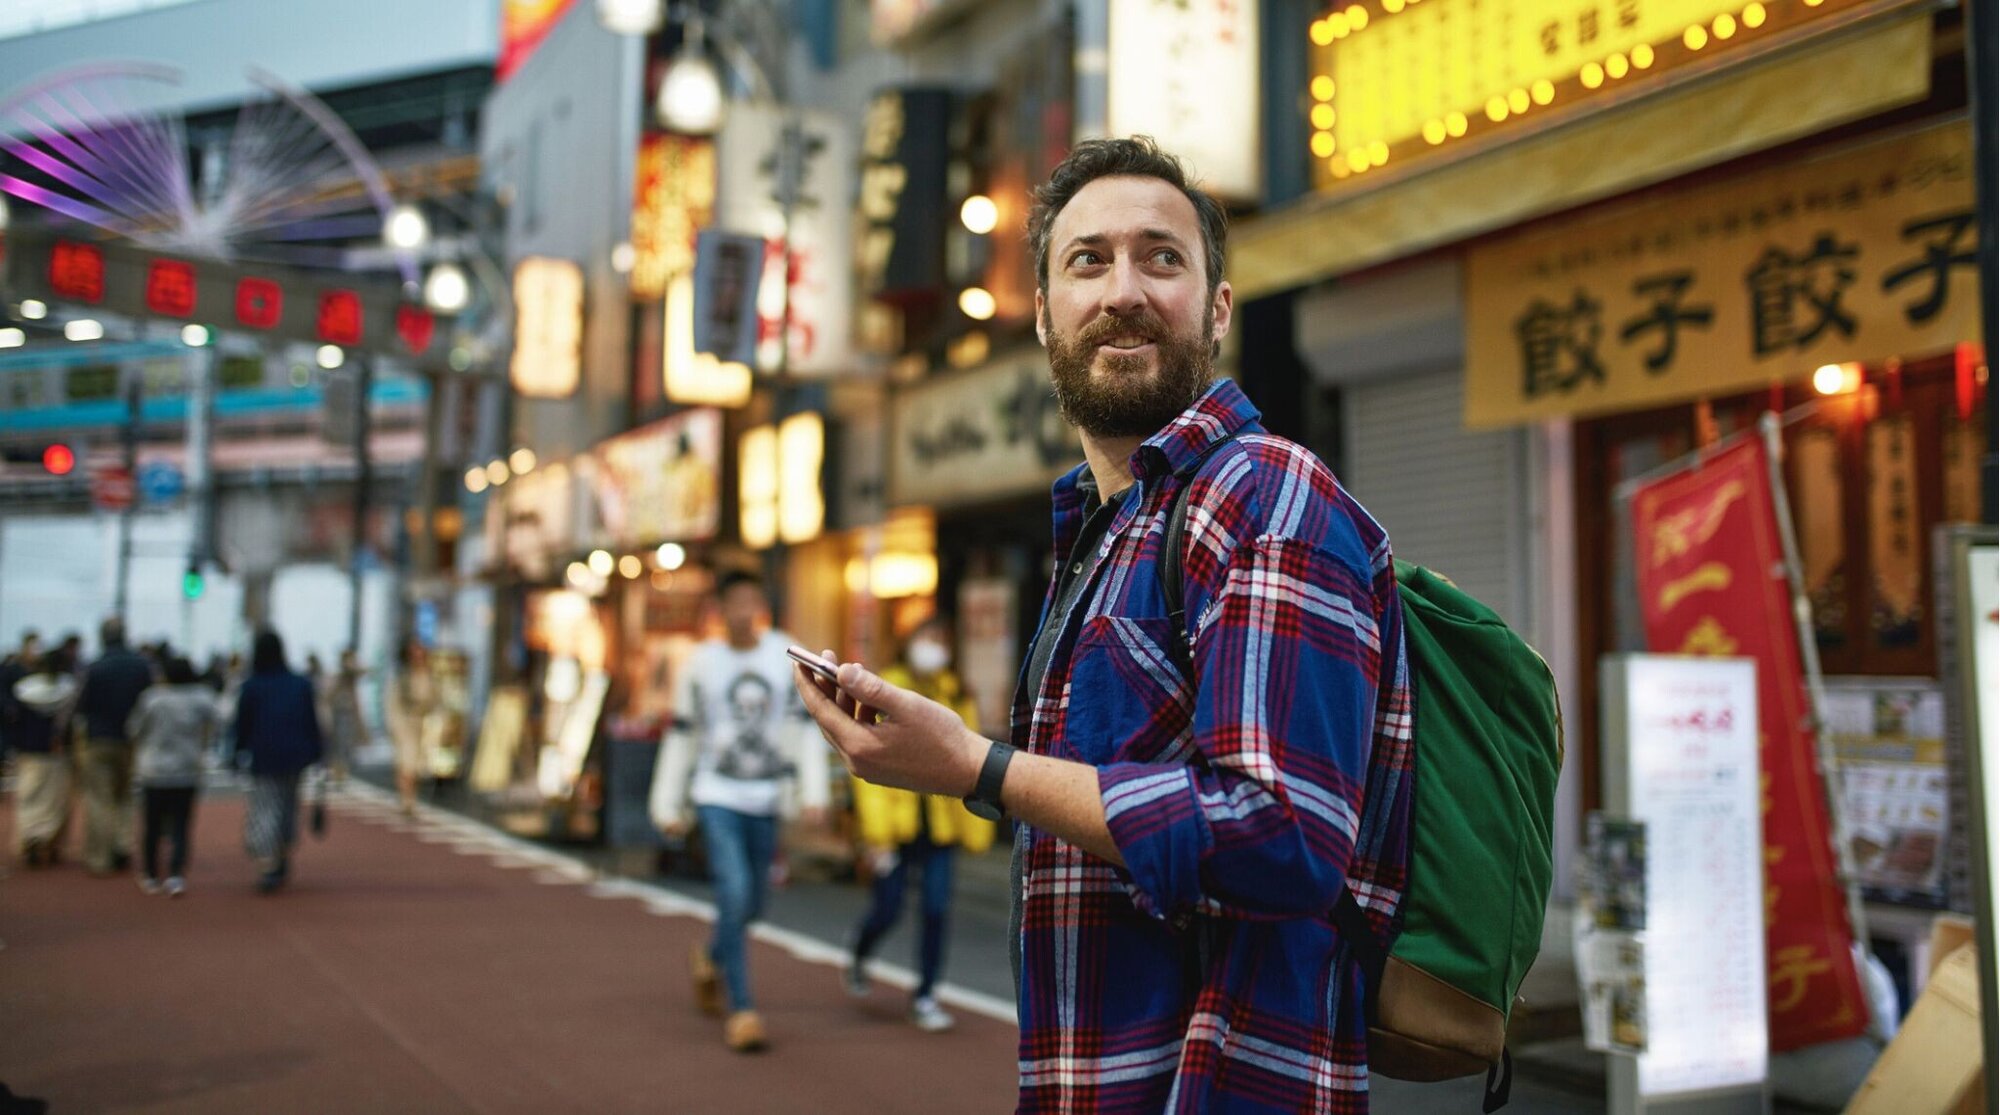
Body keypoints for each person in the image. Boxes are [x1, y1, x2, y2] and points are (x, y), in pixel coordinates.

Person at [797, 137, 1414, 1112]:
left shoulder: (1264, 493)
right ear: (1043, 313)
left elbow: (1284, 834)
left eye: (1160, 257)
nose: (1122, 289)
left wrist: (975, 766)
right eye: (1087, 260)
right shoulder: (1109, 530)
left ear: (1216, 307)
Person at [649, 570, 831, 1053]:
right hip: (716, 795)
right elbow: (682, 734)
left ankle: (709, 958)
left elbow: (807, 725)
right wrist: (668, 804)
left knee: (753, 904)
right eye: (735, 601)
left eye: (752, 600)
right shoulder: (701, 664)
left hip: (766, 796)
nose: (744, 610)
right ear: (720, 609)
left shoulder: (785, 654)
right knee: (734, 889)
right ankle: (743, 1009)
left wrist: (814, 793)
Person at [842, 617, 996, 1033]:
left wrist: (976, 828)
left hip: (941, 827)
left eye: (942, 639)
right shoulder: (883, 687)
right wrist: (876, 834)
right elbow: (869, 761)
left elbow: (974, 755)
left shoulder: (956, 691)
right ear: (908, 642)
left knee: (935, 909)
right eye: (927, 638)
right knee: (888, 908)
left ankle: (926, 994)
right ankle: (860, 952)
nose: (934, 646)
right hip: (894, 829)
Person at [230, 628, 324, 893]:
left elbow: (241, 725)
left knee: (265, 806)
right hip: (297, 754)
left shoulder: (252, 685)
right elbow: (311, 720)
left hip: (264, 753)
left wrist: (236, 752)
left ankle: (268, 863)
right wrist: (317, 751)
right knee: (288, 804)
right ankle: (283, 851)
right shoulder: (300, 684)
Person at [127, 656, 219, 896]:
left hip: (154, 770)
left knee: (152, 824)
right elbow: (220, 720)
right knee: (181, 824)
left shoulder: (152, 699)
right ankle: (176, 875)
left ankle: (150, 874)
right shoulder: (201, 698)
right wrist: (204, 741)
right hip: (186, 769)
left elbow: (133, 729)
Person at [73, 617, 156, 875]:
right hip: (131, 738)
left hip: (99, 738)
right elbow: (149, 701)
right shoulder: (142, 666)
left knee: (99, 798)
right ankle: (122, 845)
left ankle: (100, 856)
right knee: (126, 796)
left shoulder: (94, 667)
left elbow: (81, 705)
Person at [9, 644, 77, 867]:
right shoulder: (68, 689)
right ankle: (49, 841)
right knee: (55, 801)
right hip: (56, 751)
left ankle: (31, 836)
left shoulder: (23, 689)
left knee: (29, 796)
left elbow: (15, 721)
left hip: (28, 751)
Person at [384, 641, 433, 817]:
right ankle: (407, 800)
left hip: (422, 724)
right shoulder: (400, 677)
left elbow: (434, 699)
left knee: (417, 765)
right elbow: (391, 703)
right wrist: (394, 725)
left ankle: (410, 798)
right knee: (406, 763)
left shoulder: (428, 675)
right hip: (404, 723)